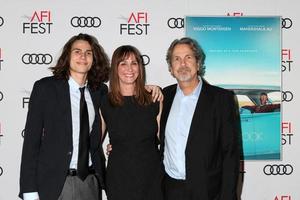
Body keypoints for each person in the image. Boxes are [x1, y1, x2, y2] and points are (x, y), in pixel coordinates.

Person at [19, 33, 109, 200]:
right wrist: (29, 191)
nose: (83, 56)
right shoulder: (45, 89)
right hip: (54, 185)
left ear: (94, 59)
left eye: (88, 52)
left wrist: (147, 89)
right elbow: (31, 142)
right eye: (77, 51)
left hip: (89, 182)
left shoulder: (100, 92)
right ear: (67, 56)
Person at [160, 37, 240, 200]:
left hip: (208, 191)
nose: (182, 64)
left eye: (188, 57)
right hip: (170, 189)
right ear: (170, 68)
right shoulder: (164, 96)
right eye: (176, 59)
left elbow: (230, 154)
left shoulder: (221, 99)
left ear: (198, 63)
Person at [99, 45, 163, 200]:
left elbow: (164, 140)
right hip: (119, 178)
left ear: (140, 67)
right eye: (123, 63)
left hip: (152, 177)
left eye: (134, 63)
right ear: (115, 68)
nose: (130, 68)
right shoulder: (105, 102)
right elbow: (94, 143)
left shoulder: (154, 98)